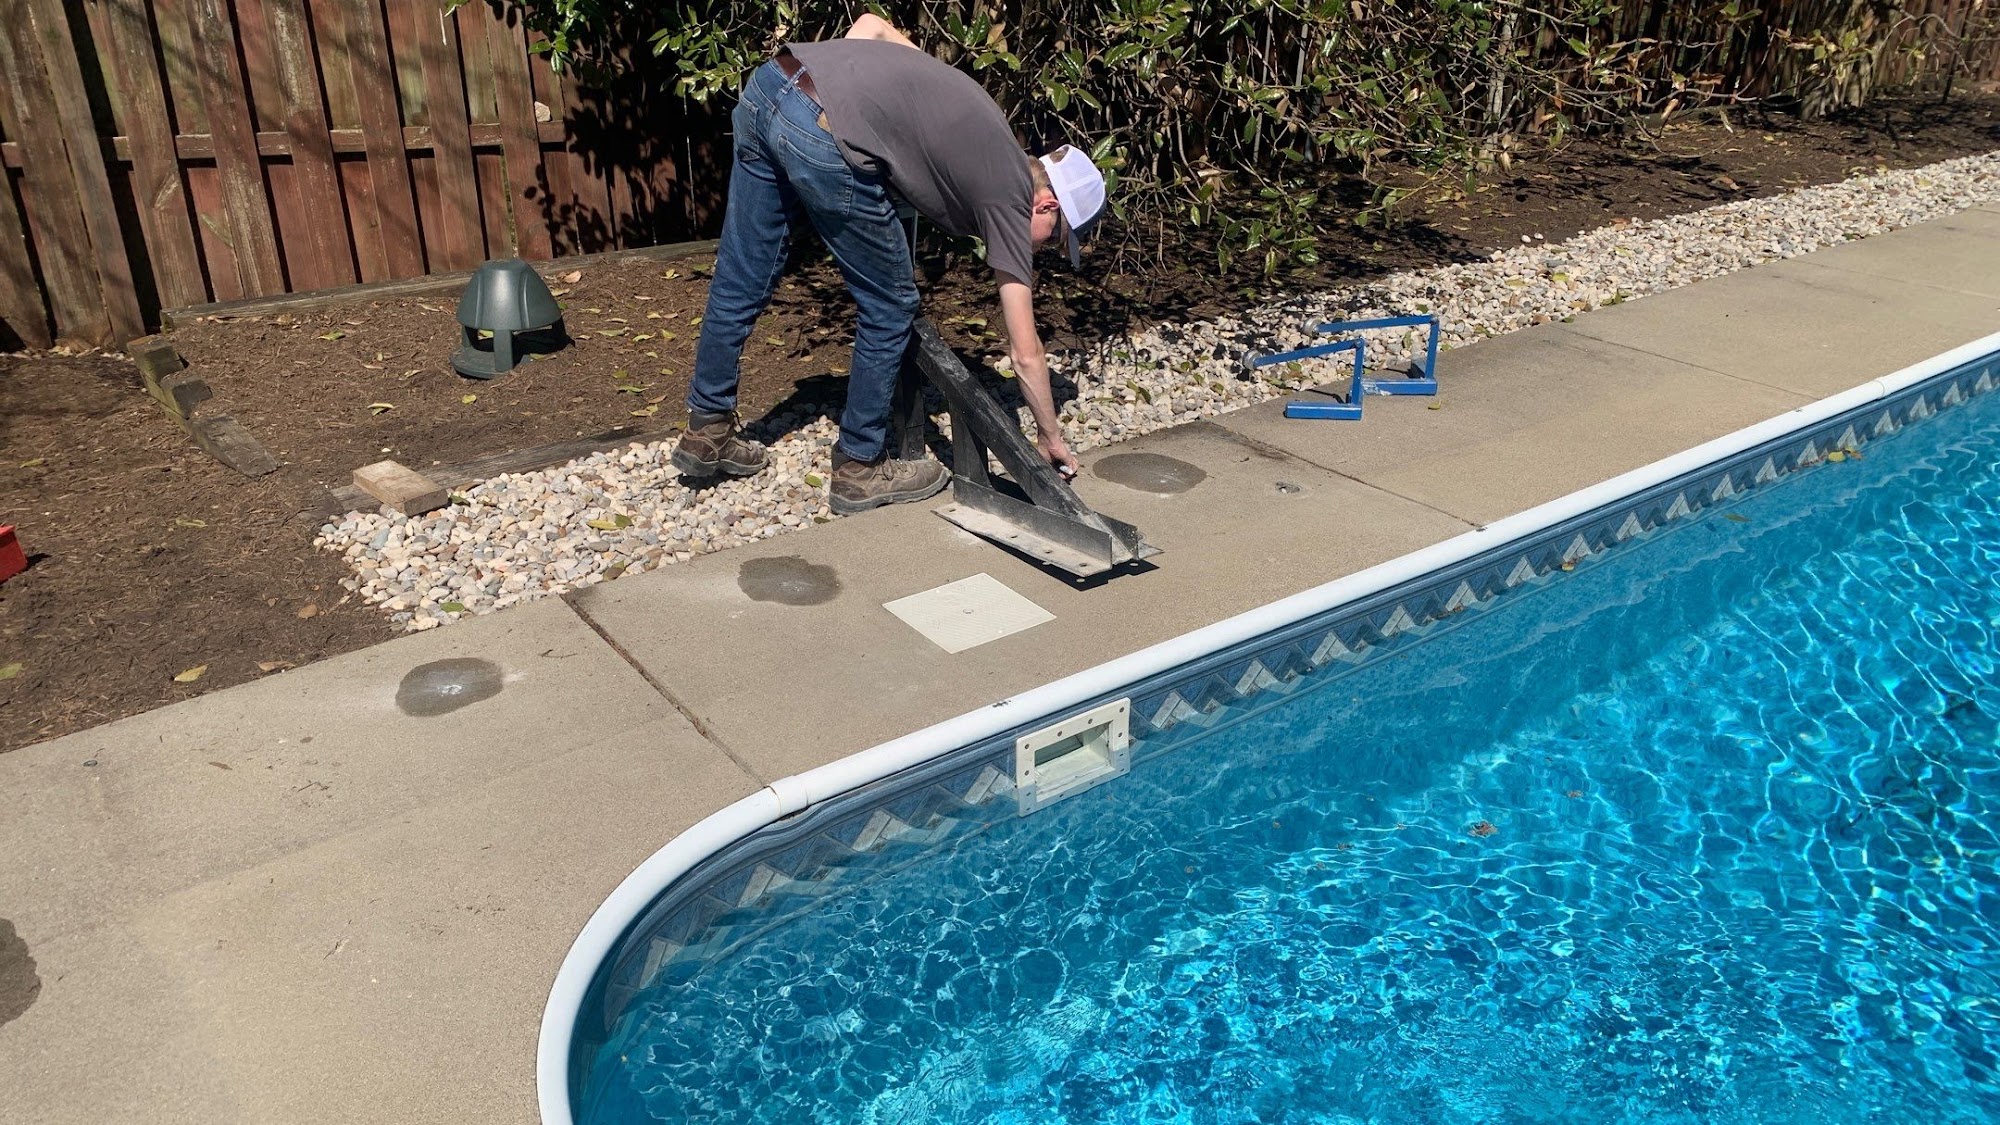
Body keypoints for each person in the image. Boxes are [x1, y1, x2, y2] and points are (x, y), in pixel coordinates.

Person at [672, 13, 1108, 515]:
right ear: (1047, 205)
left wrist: (851, 95)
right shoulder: (1009, 194)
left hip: (770, 85)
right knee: (890, 305)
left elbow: (870, 25)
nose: (1042, 251)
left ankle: (707, 427)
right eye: (1054, 241)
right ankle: (859, 466)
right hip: (818, 128)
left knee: (740, 276)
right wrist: (1050, 437)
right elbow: (1025, 351)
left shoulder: (981, 119)